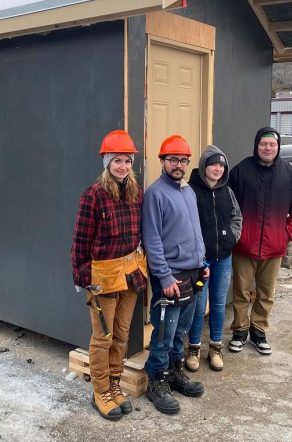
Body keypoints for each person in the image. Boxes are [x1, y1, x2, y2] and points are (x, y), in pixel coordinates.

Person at [71, 130, 148, 421]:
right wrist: (81, 275)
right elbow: (80, 239)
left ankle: (115, 384)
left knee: (122, 334)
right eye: (117, 161)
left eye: (127, 161)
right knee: (103, 337)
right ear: (107, 162)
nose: (123, 167)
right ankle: (100, 390)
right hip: (102, 276)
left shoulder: (136, 193)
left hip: (129, 272)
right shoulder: (94, 195)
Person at [141, 135, 207, 415]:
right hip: (171, 277)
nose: (178, 165)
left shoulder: (188, 191)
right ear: (162, 161)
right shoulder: (155, 194)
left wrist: (202, 260)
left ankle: (175, 373)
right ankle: (155, 381)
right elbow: (152, 239)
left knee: (182, 329)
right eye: (173, 159)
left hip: (193, 273)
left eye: (183, 160)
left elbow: (195, 230)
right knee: (164, 333)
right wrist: (164, 277)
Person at [227, 127, 292, 356]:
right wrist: (234, 234)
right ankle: (240, 330)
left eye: (272, 144)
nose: (268, 148)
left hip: (274, 247)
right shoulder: (241, 171)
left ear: (278, 147)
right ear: (256, 146)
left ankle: (259, 331)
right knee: (240, 292)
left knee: (266, 293)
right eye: (263, 144)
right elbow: (228, 206)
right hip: (244, 245)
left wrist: (287, 234)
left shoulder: (291, 175)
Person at [185, 145, 242, 372]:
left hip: (223, 259)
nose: (217, 169)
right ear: (204, 166)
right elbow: (185, 224)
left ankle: (215, 347)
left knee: (218, 305)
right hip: (201, 262)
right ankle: (194, 348)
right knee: (199, 307)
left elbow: (237, 218)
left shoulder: (227, 192)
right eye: (213, 164)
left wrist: (231, 239)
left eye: (221, 165)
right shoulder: (190, 191)